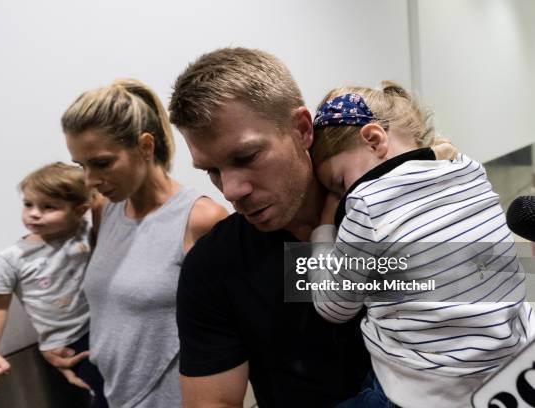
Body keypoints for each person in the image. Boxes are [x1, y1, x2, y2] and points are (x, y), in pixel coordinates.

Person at [167, 47, 373, 407]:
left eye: (246, 157)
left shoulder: (393, 219)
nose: (231, 191)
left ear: (302, 129)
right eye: (211, 171)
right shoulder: (213, 265)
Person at [307, 82, 534, 407]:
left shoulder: (367, 203)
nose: (342, 196)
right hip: (513, 358)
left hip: (427, 388)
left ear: (374, 140)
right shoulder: (470, 170)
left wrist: (323, 231)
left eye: (339, 183)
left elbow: (332, 308)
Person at [44, 78, 227, 407]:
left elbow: (232, 331)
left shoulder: (199, 219)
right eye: (81, 166)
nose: (90, 180)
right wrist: (60, 343)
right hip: (112, 394)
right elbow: (115, 301)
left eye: (102, 163)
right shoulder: (106, 209)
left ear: (145, 146)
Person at [0, 162, 108, 408]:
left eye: (48, 207)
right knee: (104, 393)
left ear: (80, 210)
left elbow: (100, 201)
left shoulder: (84, 233)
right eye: (28, 204)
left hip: (104, 327)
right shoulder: (13, 257)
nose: (34, 213)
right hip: (67, 342)